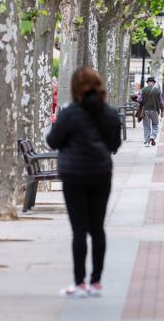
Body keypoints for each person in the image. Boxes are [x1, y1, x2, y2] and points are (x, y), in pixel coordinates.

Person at [46, 67, 122, 298]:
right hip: (101, 172)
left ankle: (79, 284)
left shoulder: (70, 113)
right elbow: (114, 146)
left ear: (75, 88)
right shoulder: (109, 113)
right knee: (97, 228)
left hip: (74, 174)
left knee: (79, 230)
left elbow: (53, 141)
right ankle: (96, 281)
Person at [137, 76, 164, 147]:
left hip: (145, 110)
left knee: (146, 126)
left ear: (147, 82)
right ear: (154, 83)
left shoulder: (142, 90)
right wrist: (162, 111)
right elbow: (161, 102)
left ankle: (147, 142)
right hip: (155, 110)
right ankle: (152, 136)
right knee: (155, 125)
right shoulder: (158, 91)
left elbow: (139, 100)